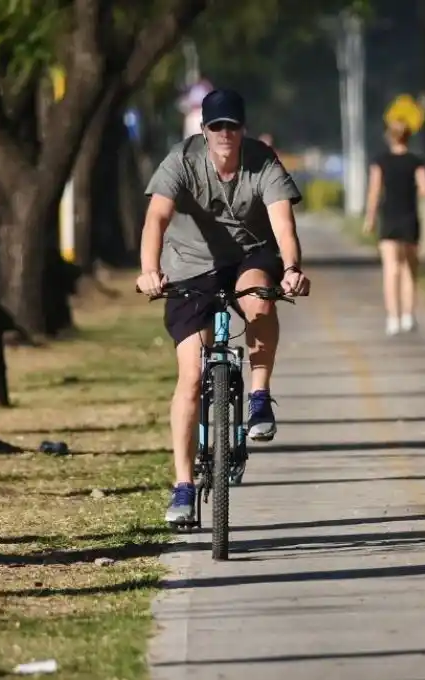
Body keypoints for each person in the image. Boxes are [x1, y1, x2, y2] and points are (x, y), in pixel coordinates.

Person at [137, 88, 311, 525]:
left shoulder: (263, 161)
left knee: (260, 299)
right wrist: (149, 271)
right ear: (204, 130)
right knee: (191, 376)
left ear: (243, 129)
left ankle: (258, 396)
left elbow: (282, 223)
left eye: (232, 126)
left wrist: (291, 268)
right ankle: (182, 486)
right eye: (217, 127)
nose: (225, 134)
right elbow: (156, 218)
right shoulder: (181, 160)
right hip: (189, 265)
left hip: (250, 255)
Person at [363, 118, 425, 336]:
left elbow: (374, 192)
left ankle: (393, 318)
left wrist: (370, 218)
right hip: (409, 218)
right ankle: (408, 316)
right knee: (410, 269)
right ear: (408, 136)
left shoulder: (380, 162)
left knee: (391, 269)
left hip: (389, 218)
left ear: (389, 137)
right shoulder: (416, 161)